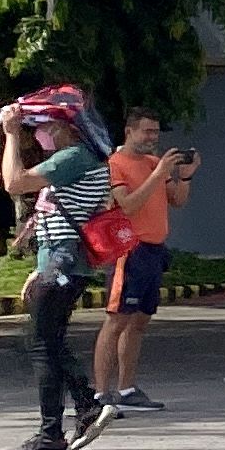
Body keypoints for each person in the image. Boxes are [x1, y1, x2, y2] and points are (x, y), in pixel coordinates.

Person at [0, 85, 119, 450]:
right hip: (62, 262)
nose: (39, 131)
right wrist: (40, 269)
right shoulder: (82, 156)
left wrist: (11, 136)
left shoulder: (74, 157)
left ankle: (51, 432)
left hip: (63, 262)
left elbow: (13, 183)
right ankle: (87, 407)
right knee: (49, 340)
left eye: (43, 124)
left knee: (41, 345)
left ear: (64, 126)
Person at [91, 110, 195, 413]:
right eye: (147, 131)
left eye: (155, 132)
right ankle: (100, 393)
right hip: (128, 250)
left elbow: (178, 200)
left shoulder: (153, 164)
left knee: (139, 322)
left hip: (154, 249)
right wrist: (159, 174)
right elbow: (128, 204)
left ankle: (127, 387)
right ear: (129, 131)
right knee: (116, 320)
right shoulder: (115, 164)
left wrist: (184, 176)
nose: (152, 138)